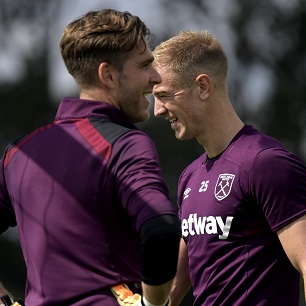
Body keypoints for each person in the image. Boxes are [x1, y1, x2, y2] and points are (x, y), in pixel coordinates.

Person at [0, 9, 181, 306]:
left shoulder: (19, 152)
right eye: (145, 65)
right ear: (107, 75)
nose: (156, 77)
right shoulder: (126, 144)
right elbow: (161, 230)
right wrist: (153, 303)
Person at [152, 30, 306, 306]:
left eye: (163, 95)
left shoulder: (266, 163)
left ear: (202, 87)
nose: (158, 110)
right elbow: (179, 279)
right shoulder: (190, 176)